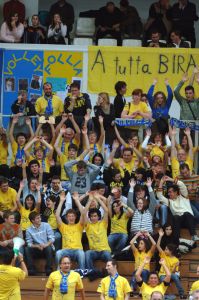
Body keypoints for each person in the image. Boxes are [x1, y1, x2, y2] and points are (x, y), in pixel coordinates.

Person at [157, 175, 199, 241]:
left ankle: (193, 235)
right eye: (168, 192)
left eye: (170, 192)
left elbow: (182, 185)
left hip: (189, 220)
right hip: (179, 222)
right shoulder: (169, 201)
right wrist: (161, 182)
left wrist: (170, 179)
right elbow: (159, 196)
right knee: (176, 216)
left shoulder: (184, 196)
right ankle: (177, 238)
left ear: (176, 192)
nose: (169, 194)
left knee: (187, 213)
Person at [55, 191, 85, 269]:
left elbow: (83, 213)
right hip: (66, 250)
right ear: (66, 218)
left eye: (73, 216)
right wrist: (61, 201)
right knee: (58, 252)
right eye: (69, 216)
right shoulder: (63, 226)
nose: (71, 218)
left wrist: (77, 200)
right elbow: (57, 215)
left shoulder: (79, 226)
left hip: (77, 250)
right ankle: (59, 272)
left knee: (81, 253)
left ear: (75, 217)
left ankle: (82, 272)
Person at [84, 193, 112, 270]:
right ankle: (92, 272)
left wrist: (98, 199)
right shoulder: (88, 225)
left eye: (95, 216)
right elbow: (83, 213)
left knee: (107, 255)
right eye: (91, 216)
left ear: (99, 217)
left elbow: (106, 210)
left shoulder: (103, 223)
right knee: (87, 253)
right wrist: (89, 200)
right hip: (94, 252)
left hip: (104, 251)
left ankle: (111, 272)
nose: (93, 218)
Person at [157, 229, 186, 298]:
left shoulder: (176, 260)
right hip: (162, 274)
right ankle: (161, 294)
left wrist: (176, 265)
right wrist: (160, 236)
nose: (165, 250)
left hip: (171, 274)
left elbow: (173, 272)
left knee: (176, 277)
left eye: (166, 249)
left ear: (171, 251)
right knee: (162, 279)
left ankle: (181, 293)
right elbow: (158, 246)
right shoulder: (163, 254)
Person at [25, 211, 55, 276]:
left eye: (40, 217)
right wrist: (37, 246)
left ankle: (48, 269)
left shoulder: (46, 225)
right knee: (27, 249)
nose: (40, 219)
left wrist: (45, 245)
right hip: (37, 249)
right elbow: (29, 243)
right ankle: (31, 269)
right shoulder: (28, 230)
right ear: (33, 221)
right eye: (38, 218)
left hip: (47, 247)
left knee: (48, 248)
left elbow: (52, 238)